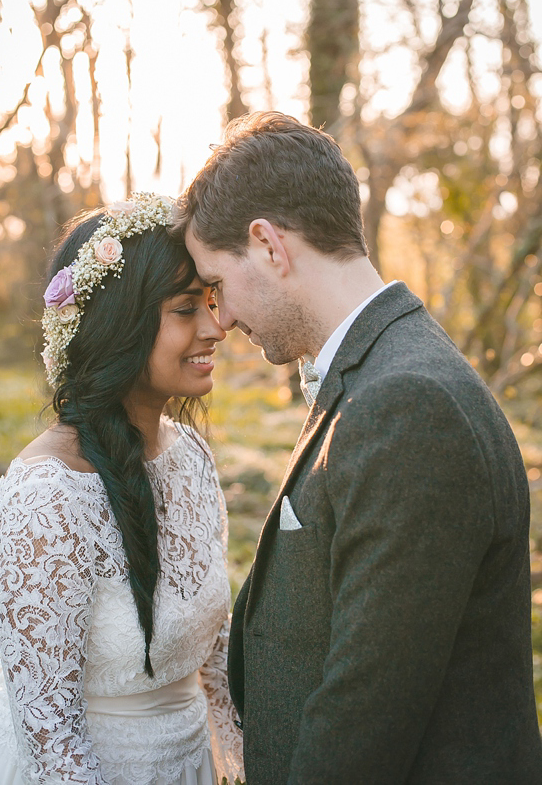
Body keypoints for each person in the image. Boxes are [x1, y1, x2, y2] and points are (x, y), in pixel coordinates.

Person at [174, 112, 542, 785]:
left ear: (268, 245)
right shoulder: (379, 372)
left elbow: (366, 712)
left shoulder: (408, 406)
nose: (219, 318)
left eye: (217, 285)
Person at [0, 192, 244, 785]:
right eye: (187, 308)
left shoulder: (192, 458)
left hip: (188, 765)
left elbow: (211, 642)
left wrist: (240, 752)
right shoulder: (47, 498)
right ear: (120, 324)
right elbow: (52, 736)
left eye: (211, 301)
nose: (217, 328)